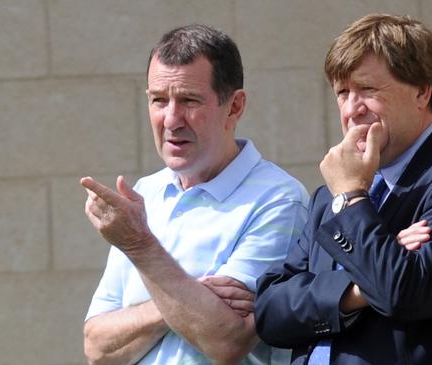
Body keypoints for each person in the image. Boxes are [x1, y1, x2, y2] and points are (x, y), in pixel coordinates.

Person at [254, 13, 432, 365]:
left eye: (368, 90)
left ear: (422, 92)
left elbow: (403, 293)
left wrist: (351, 201)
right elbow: (270, 313)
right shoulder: (330, 195)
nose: (351, 109)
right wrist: (355, 290)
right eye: (343, 93)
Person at [80, 24, 311, 365]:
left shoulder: (278, 200)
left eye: (189, 100)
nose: (171, 119)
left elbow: (225, 340)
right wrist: (191, 297)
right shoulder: (146, 192)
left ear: (234, 106)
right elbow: (98, 347)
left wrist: (139, 246)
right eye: (159, 100)